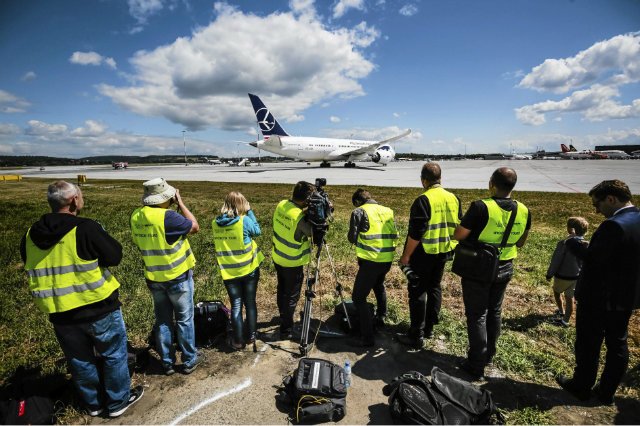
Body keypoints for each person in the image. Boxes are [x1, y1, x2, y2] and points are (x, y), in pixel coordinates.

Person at [21, 181, 143, 418]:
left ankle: (93, 403)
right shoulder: (84, 228)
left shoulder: (29, 235)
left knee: (79, 360)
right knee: (113, 354)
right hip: (97, 305)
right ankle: (117, 401)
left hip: (60, 312)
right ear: (74, 200)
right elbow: (114, 255)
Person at [556, 180, 640, 405]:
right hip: (626, 296)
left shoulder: (613, 225)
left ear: (611, 199)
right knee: (618, 344)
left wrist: (574, 243)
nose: (596, 210)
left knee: (588, 343)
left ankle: (581, 385)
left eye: (598, 204)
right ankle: (606, 392)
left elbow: (593, 259)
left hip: (599, 296)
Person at [453, 167, 531, 378]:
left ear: (491, 184)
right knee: (495, 311)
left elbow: (460, 235)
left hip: (479, 267)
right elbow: (522, 241)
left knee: (477, 314)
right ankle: (489, 355)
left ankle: (476, 363)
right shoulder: (523, 209)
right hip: (505, 265)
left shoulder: (480, 207)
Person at [130, 178, 201, 375]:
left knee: (162, 320)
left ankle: (167, 362)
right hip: (177, 276)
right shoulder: (168, 217)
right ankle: (189, 359)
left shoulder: (136, 216)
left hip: (154, 277)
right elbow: (194, 226)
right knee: (185, 319)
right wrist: (181, 203)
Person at [398, 163, 462, 349]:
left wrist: (406, 257)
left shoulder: (423, 200)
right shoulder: (454, 198)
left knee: (417, 291)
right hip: (444, 252)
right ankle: (429, 328)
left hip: (424, 252)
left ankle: (416, 334)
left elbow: (416, 233)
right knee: (434, 287)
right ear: (440, 178)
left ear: (423, 180)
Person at [212, 191, 264, 350]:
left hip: (229, 272)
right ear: (241, 205)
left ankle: (238, 340)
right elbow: (258, 231)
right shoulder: (244, 221)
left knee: (236, 305)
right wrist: (250, 211)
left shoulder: (215, 223)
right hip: (248, 270)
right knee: (250, 303)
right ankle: (252, 335)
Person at [348, 188, 399, 347]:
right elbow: (394, 234)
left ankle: (367, 337)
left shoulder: (359, 212)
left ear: (357, 202)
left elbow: (352, 237)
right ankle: (381, 317)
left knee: (358, 297)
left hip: (370, 260)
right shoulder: (387, 210)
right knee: (378, 285)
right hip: (386, 259)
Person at [272, 181, 314, 340]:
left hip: (278, 256)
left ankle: (283, 316)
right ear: (307, 199)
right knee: (291, 296)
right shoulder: (299, 217)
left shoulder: (282, 204)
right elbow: (312, 233)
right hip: (293, 262)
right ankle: (286, 329)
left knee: (282, 290)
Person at [545, 217, 589, 327]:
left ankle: (561, 310)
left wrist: (550, 274)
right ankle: (565, 321)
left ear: (571, 229)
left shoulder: (564, 243)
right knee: (570, 298)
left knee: (556, 292)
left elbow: (556, 260)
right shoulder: (586, 244)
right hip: (576, 277)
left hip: (562, 276)